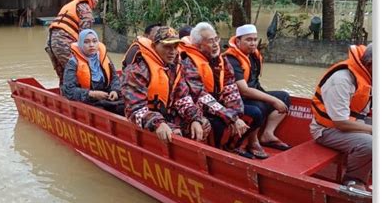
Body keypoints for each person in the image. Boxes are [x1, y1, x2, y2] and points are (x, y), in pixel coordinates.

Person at [122, 26, 211, 143]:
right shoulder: (137, 70)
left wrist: (195, 118)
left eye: (175, 47)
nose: (173, 52)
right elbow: (134, 109)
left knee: (204, 124)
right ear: (154, 46)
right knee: (175, 133)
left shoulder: (175, 67)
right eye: (167, 47)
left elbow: (182, 99)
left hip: (168, 116)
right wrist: (158, 123)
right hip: (146, 118)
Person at [180, 22, 253, 151]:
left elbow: (230, 87)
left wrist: (236, 114)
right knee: (218, 124)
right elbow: (200, 96)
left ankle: (232, 147)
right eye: (210, 41)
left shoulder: (222, 60)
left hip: (218, 105)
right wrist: (231, 118)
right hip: (197, 107)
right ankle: (218, 153)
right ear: (198, 45)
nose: (215, 44)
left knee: (253, 114)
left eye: (216, 39)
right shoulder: (188, 62)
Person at [310, 44, 372, 191]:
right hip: (326, 130)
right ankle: (354, 180)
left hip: (354, 121)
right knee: (371, 144)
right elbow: (341, 123)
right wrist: (372, 129)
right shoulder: (341, 80)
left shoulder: (368, 76)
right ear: (370, 64)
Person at [224, 24, 291, 157]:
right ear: (238, 41)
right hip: (237, 99)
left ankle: (267, 134)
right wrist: (273, 100)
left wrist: (275, 99)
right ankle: (252, 141)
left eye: (255, 39)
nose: (253, 43)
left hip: (252, 93)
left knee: (284, 97)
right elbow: (244, 90)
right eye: (248, 40)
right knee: (261, 107)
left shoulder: (253, 56)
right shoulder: (232, 59)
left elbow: (255, 83)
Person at [45, 0, 100, 86]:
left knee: (64, 74)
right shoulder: (85, 6)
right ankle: (81, 99)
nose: (96, 0)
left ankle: (64, 98)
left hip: (51, 42)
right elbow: (86, 36)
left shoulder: (72, 4)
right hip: (63, 42)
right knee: (79, 72)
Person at [62, 29, 123, 115]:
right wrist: (91, 94)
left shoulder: (104, 58)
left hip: (106, 96)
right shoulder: (73, 63)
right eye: (86, 42)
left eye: (95, 41)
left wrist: (115, 91)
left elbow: (114, 78)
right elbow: (69, 90)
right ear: (80, 44)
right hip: (87, 100)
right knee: (101, 112)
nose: (91, 45)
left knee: (125, 106)